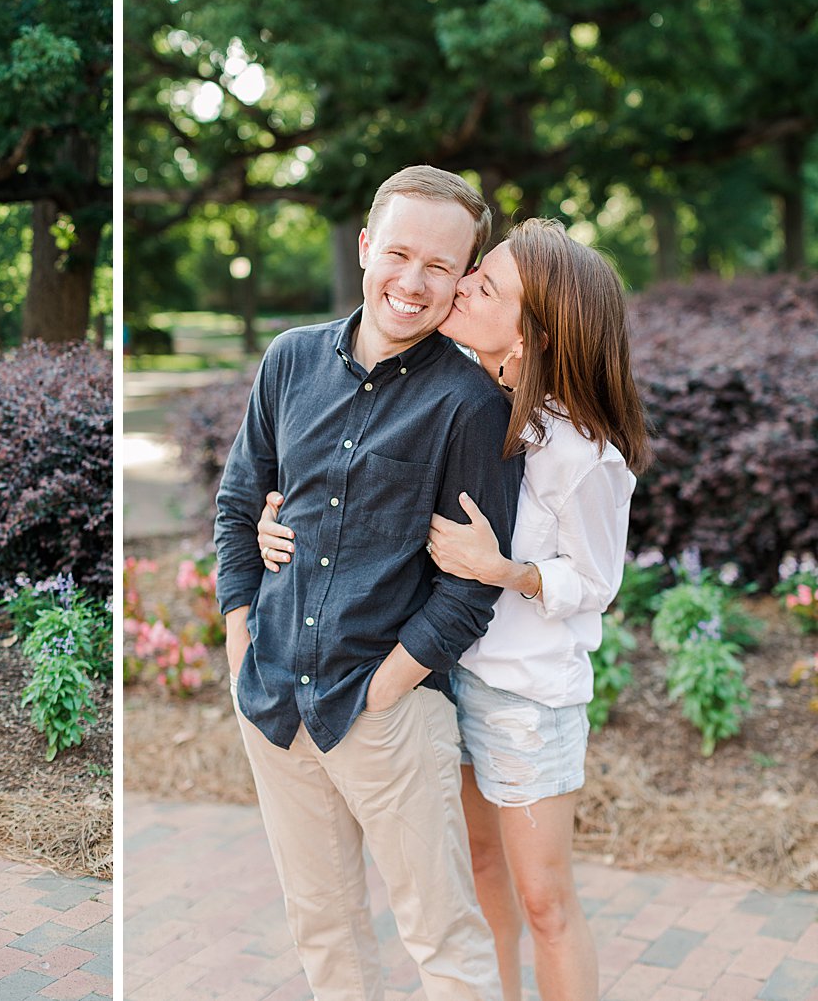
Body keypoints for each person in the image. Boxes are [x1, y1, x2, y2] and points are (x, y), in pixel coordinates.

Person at [256, 218, 651, 1001]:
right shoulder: (478, 398)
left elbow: (597, 583)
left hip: (526, 700)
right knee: (477, 877)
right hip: (450, 680)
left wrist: (505, 571)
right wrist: (279, 519)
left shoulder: (580, 449)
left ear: (534, 332)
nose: (460, 287)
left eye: (484, 284)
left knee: (547, 903)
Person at [214, 165, 521, 1001]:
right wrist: (241, 631)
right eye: (399, 254)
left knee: (443, 938)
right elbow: (241, 501)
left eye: (441, 267)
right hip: (273, 694)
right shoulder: (289, 361)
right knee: (325, 928)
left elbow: (471, 585)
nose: (413, 283)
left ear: (464, 279)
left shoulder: (470, 404)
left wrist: (388, 686)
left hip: (386, 713)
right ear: (364, 248)